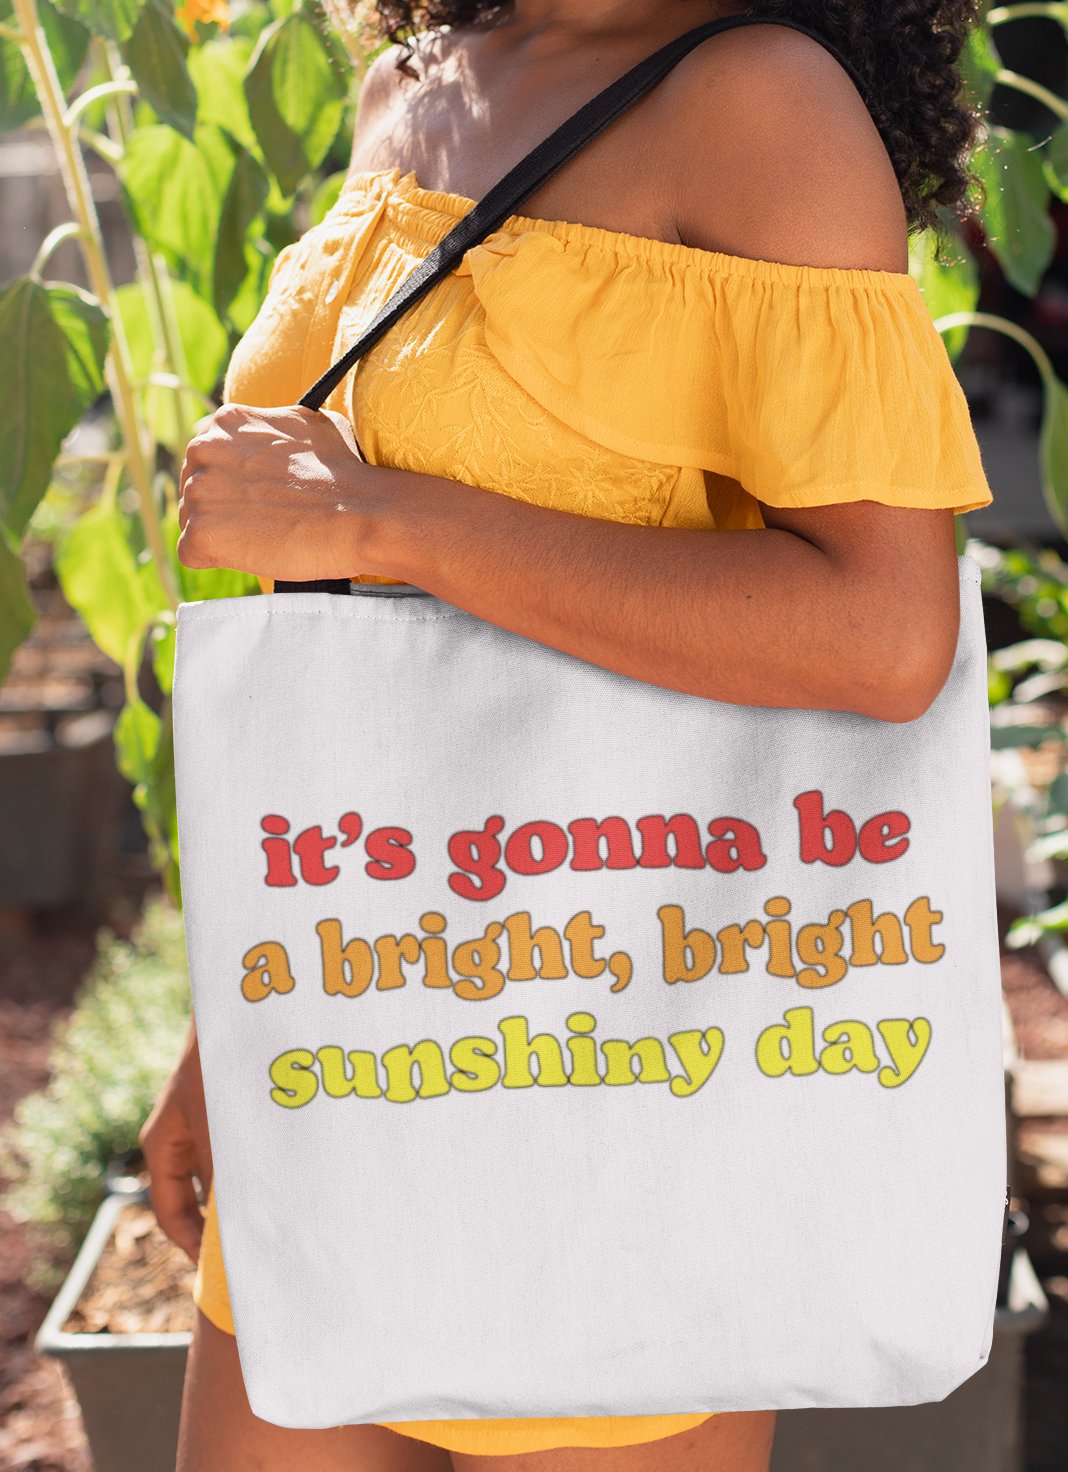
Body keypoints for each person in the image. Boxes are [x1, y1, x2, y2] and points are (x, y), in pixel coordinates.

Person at [145, 0, 990, 1465]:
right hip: (365, 1030)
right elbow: (359, 673)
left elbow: (881, 632)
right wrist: (240, 1022)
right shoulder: (420, 83)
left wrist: (381, 519)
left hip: (622, 1071)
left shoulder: (755, 104)